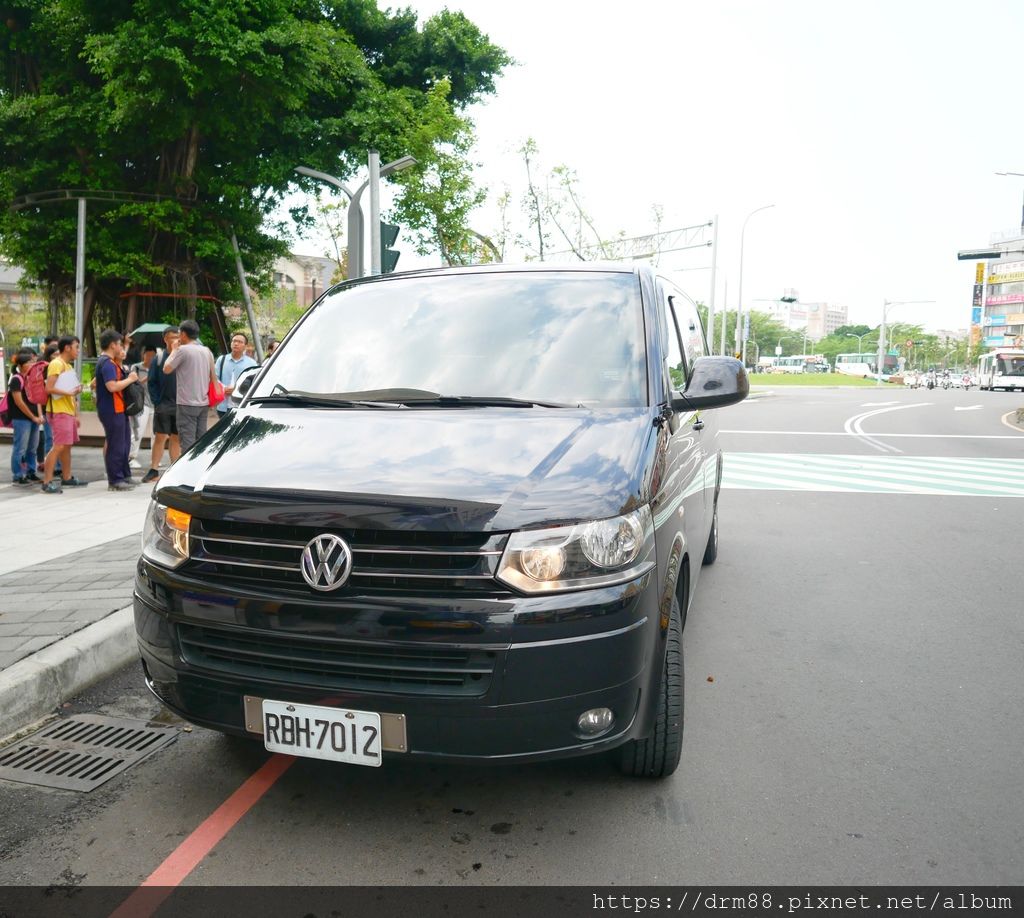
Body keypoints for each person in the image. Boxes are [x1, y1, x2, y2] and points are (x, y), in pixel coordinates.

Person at [40, 335, 87, 493]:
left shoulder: (67, 366)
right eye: (76, 347)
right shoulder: (57, 364)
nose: (78, 351)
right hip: (58, 411)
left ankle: (67, 478)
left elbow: (68, 392)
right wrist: (69, 392)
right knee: (59, 446)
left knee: (66, 446)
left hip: (66, 411)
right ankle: (47, 482)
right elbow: (49, 388)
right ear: (67, 347)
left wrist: (75, 413)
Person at [162, 319, 216, 452]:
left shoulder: (182, 350)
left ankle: (189, 472)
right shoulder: (206, 350)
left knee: (187, 445)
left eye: (179, 333)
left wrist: (174, 350)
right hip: (203, 403)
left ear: (184, 334)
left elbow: (166, 369)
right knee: (201, 442)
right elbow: (213, 376)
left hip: (186, 404)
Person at [95, 328, 138, 491]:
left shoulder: (111, 362)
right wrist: (131, 379)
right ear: (113, 345)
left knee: (125, 442)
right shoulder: (106, 363)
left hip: (119, 408)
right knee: (116, 444)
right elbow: (112, 386)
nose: (121, 347)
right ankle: (115, 479)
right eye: (120, 344)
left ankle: (125, 475)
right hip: (111, 409)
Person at [143, 326, 181, 484]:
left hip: (180, 404)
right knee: (160, 436)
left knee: (176, 438)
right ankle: (154, 469)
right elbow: (151, 382)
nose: (175, 340)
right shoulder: (158, 358)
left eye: (178, 337)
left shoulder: (183, 355)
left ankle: (175, 470)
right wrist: (157, 401)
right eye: (172, 337)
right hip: (163, 405)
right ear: (165, 339)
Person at [7, 352, 46, 484]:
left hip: (34, 418)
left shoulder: (32, 378)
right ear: (20, 365)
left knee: (32, 448)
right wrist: (33, 417)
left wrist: (40, 415)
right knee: (20, 448)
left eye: (33, 362)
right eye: (29, 362)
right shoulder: (16, 380)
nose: (32, 365)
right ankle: (18, 474)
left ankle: (31, 471)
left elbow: (38, 399)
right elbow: (19, 402)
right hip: (21, 419)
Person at [214, 332, 258, 417]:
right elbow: (215, 378)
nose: (236, 344)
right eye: (234, 341)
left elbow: (255, 383)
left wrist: (237, 390)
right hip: (223, 405)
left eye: (240, 342)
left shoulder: (251, 363)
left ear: (245, 346)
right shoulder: (221, 360)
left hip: (241, 406)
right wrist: (223, 389)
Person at [129, 345, 156, 469]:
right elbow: (133, 383)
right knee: (138, 431)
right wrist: (146, 378)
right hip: (142, 404)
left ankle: (155, 458)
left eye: (153, 355)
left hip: (155, 404)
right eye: (148, 354)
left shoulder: (158, 368)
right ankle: (131, 458)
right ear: (143, 355)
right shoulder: (136, 367)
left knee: (156, 434)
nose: (150, 357)